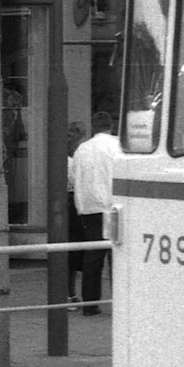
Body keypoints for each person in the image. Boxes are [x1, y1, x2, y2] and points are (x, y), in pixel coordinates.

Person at [70, 112, 121, 316]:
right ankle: (119, 302)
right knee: (117, 255)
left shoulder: (82, 149)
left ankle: (90, 304)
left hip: (89, 208)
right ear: (111, 126)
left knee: (93, 255)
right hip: (113, 206)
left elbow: (74, 176)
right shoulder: (117, 146)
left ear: (93, 126)